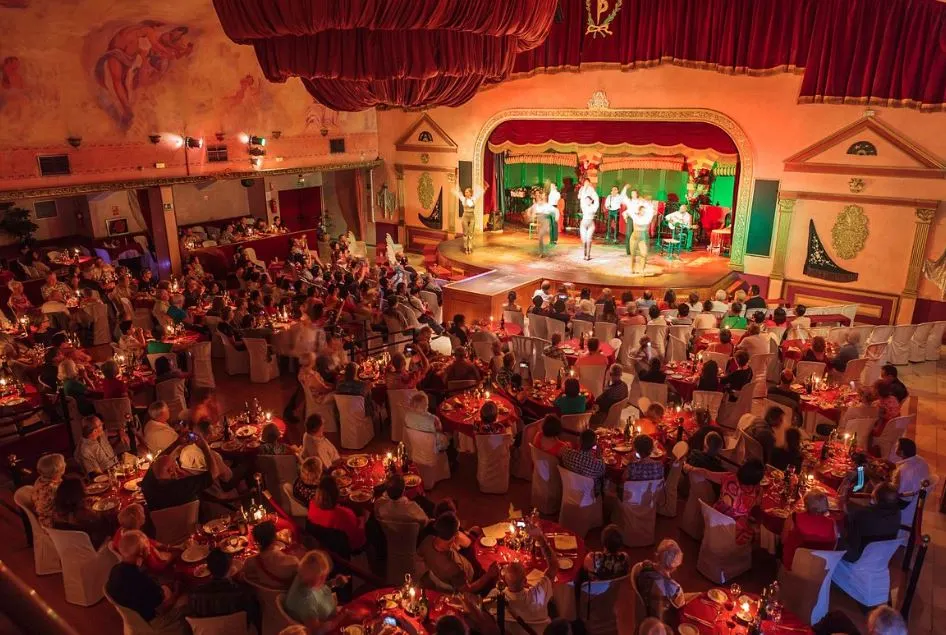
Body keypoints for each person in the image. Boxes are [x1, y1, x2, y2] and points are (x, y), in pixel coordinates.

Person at [107, 530, 186, 631]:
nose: (149, 551)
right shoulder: (143, 580)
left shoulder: (115, 570)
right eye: (148, 548)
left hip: (134, 617)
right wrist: (177, 592)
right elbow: (164, 607)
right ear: (142, 553)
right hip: (153, 621)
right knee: (188, 601)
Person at [493, 525, 558, 630]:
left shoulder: (494, 597)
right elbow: (554, 566)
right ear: (525, 581)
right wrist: (540, 538)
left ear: (504, 580)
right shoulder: (537, 595)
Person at [688, 459, 764, 545]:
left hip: (715, 518)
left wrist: (691, 468)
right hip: (736, 529)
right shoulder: (756, 490)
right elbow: (759, 504)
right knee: (759, 533)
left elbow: (707, 473)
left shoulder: (728, 477)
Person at [418, 512, 497, 593]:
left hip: (462, 561)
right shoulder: (454, 567)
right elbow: (467, 590)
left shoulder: (428, 540)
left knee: (475, 529)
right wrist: (489, 575)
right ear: (456, 534)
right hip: (473, 577)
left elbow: (420, 556)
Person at [141, 433, 219, 511]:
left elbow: (158, 462)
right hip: (190, 520)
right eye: (175, 465)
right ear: (171, 471)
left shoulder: (147, 484)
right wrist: (205, 447)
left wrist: (177, 443)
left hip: (161, 522)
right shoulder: (183, 485)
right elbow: (214, 473)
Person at [189, 548, 260, 630]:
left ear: (208, 569)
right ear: (230, 566)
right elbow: (253, 616)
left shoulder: (195, 596)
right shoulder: (242, 593)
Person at [635, 539, 693, 625]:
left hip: (646, 610)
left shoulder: (644, 568)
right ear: (674, 566)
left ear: (658, 556)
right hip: (663, 622)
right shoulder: (675, 589)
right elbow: (680, 608)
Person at [284, 550, 343, 630]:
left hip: (332, 613)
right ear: (312, 577)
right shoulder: (307, 602)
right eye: (322, 576)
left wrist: (333, 583)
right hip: (330, 625)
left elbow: (319, 588)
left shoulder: (302, 575)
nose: (324, 579)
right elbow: (316, 630)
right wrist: (341, 618)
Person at [842, 482, 901, 562]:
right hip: (879, 563)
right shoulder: (897, 514)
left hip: (856, 562)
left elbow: (850, 544)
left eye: (872, 496)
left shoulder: (862, 515)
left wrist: (844, 503)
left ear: (875, 499)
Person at [781, 490, 838, 571]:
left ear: (806, 503)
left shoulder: (794, 518)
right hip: (819, 571)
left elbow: (783, 540)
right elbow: (833, 548)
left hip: (794, 567)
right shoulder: (832, 524)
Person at [307, 476, 366, 551]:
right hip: (346, 548)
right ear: (337, 496)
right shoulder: (344, 515)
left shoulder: (311, 505)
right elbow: (357, 540)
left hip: (323, 545)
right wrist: (362, 518)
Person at [52, 476, 112, 547]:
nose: (85, 490)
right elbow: (100, 519)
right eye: (83, 488)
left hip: (74, 546)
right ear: (78, 494)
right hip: (97, 544)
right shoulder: (81, 514)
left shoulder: (58, 512)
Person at [111, 503, 171, 573]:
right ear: (137, 520)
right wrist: (173, 555)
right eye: (142, 514)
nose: (144, 515)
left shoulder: (121, 530)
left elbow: (150, 541)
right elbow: (157, 566)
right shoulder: (139, 544)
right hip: (150, 571)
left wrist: (167, 547)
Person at [242, 521, 300, 589]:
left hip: (262, 597)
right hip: (283, 597)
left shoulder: (249, 562)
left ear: (256, 541)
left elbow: (247, 577)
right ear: (275, 537)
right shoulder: (293, 562)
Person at [32, 453, 66, 527]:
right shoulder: (52, 488)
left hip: (44, 517)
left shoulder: (40, 479)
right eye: (64, 463)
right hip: (52, 522)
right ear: (58, 471)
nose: (65, 464)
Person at [624, 194, 655, 273]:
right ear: (639, 210)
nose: (643, 212)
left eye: (645, 211)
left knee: (644, 254)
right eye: (642, 211)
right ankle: (632, 269)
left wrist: (646, 201)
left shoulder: (647, 217)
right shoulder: (635, 216)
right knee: (633, 255)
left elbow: (651, 209)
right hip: (634, 237)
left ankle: (642, 269)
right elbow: (629, 208)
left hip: (643, 237)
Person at [578, 182, 599, 260]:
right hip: (583, 224)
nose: (586, 201)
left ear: (591, 201)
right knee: (584, 240)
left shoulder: (594, 206)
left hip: (591, 224)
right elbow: (583, 196)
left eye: (588, 200)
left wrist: (592, 189)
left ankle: (588, 255)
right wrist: (585, 187)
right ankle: (584, 254)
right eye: (585, 200)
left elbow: (596, 198)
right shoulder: (583, 206)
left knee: (588, 239)